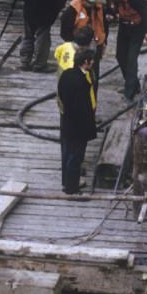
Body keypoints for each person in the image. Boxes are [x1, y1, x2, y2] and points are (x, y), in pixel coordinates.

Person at [102, 0, 147, 102]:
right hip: (124, 27)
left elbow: (146, 11)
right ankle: (133, 84)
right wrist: (111, 14)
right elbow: (113, 9)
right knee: (120, 56)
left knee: (131, 59)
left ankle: (129, 92)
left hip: (137, 29)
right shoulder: (115, 0)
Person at [57, 44, 97, 196]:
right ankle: (71, 188)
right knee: (76, 156)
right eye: (91, 61)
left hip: (67, 121)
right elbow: (83, 108)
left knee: (68, 153)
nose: (92, 63)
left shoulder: (66, 75)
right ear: (85, 62)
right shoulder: (81, 83)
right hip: (78, 126)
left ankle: (67, 182)